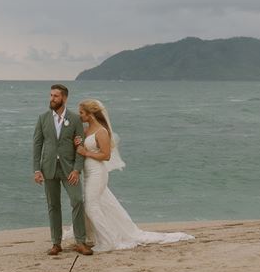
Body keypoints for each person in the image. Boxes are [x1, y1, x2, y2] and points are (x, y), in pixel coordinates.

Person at [75, 99, 193, 253]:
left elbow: (106, 155)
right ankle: (101, 236)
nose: (80, 116)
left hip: (98, 172)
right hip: (88, 173)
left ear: (90, 114)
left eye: (82, 113)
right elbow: (81, 148)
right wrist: (78, 144)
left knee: (91, 206)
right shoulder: (86, 131)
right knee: (100, 205)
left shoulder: (101, 131)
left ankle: (108, 241)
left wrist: (86, 152)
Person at [31, 84, 91, 256]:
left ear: (64, 98)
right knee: (53, 205)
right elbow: (37, 145)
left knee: (77, 200)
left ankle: (81, 241)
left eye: (55, 96)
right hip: (48, 168)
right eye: (51, 95)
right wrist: (36, 169)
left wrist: (77, 169)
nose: (52, 99)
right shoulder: (42, 118)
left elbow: (80, 146)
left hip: (69, 169)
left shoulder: (74, 119)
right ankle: (56, 243)